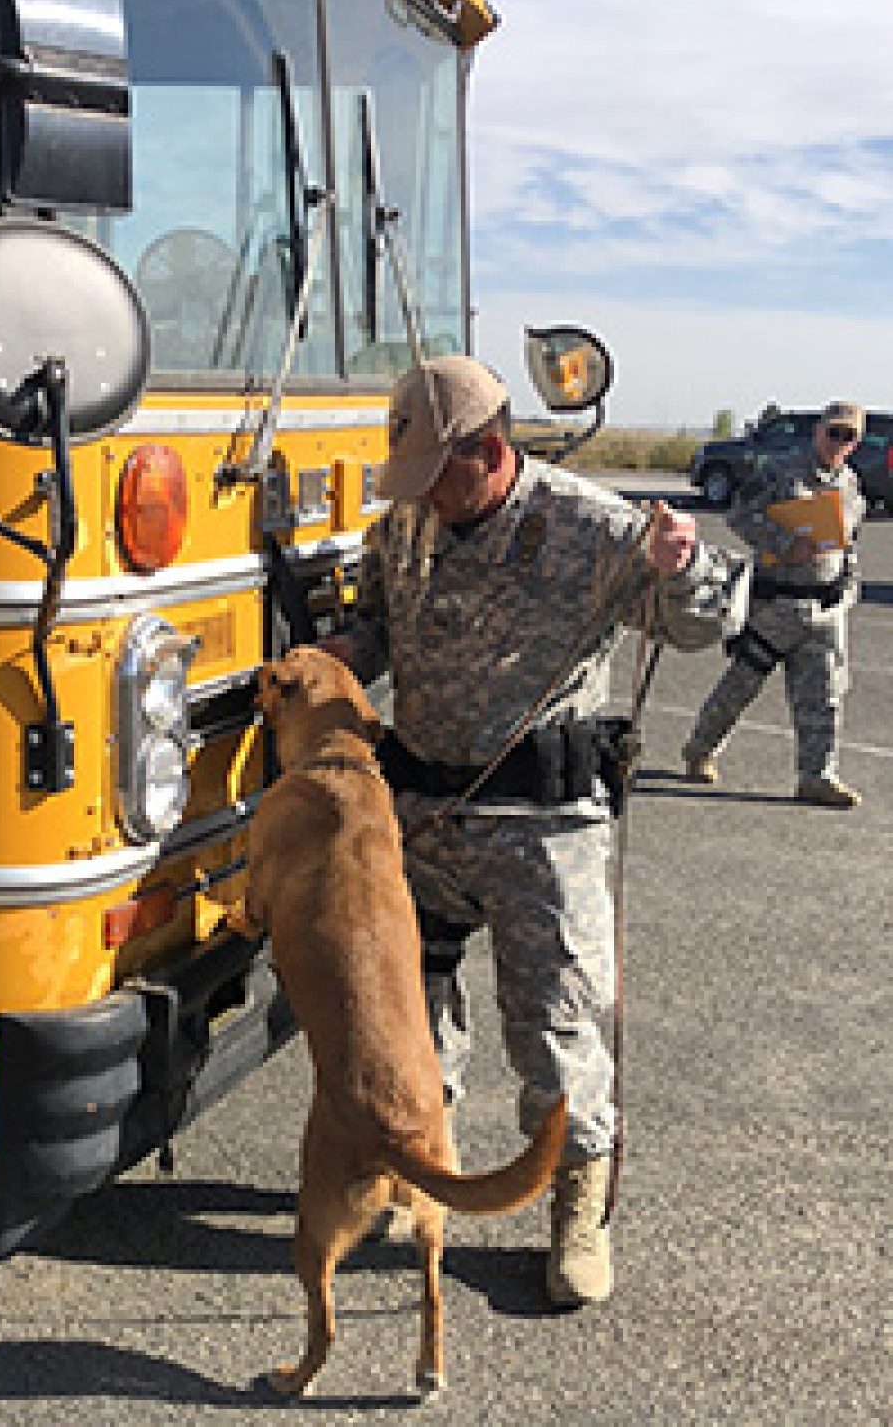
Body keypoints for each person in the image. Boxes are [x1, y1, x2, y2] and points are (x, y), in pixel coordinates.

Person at [319, 354, 746, 1308]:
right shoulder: (403, 528)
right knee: (410, 1020)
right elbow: (383, 627)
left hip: (541, 831)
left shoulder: (589, 526)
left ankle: (578, 1206)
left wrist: (685, 571)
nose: (424, 495)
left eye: (438, 474)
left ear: (490, 450)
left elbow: (694, 627)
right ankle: (416, 1169)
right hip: (421, 818)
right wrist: (346, 651)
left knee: (553, 1028)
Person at [681, 402, 867, 807]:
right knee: (740, 686)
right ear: (817, 431)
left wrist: (847, 588)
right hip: (775, 605)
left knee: (825, 696)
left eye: (848, 436)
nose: (839, 441)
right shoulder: (780, 472)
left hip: (824, 608)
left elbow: (849, 542)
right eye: (833, 432)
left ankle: (817, 777)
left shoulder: (850, 485)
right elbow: (739, 514)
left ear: (855, 443)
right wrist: (784, 544)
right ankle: (700, 750)